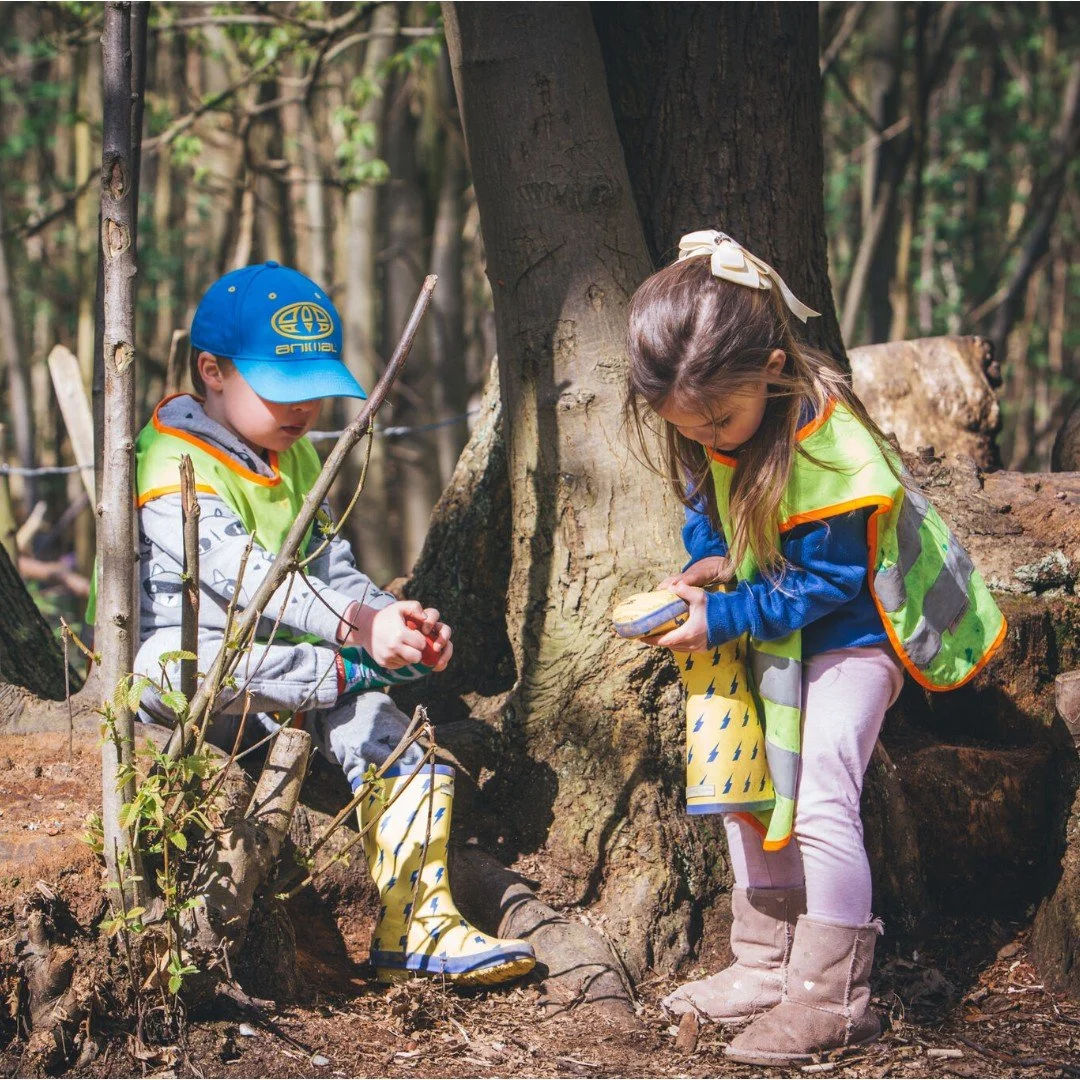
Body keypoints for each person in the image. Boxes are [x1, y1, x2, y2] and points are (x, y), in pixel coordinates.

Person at [623, 231, 1005, 1065]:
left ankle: (834, 996)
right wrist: (704, 556)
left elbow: (828, 585)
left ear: (768, 365)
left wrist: (722, 620)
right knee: (742, 773)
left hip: (856, 631)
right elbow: (705, 492)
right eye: (687, 426)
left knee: (824, 773)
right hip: (774, 620)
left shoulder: (832, 450)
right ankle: (764, 962)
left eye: (719, 420)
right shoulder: (712, 420)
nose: (710, 439)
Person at [133, 261, 535, 987]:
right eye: (281, 392)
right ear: (212, 372)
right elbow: (245, 573)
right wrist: (355, 634)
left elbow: (329, 566)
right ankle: (351, 675)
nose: (303, 410)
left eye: (314, 393)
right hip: (202, 680)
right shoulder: (169, 456)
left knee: (381, 718)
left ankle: (417, 919)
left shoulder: (294, 455)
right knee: (169, 661)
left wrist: (389, 619)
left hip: (299, 677)